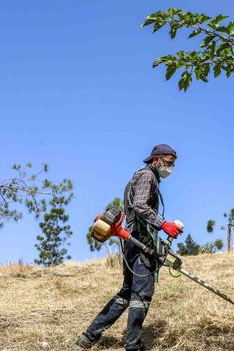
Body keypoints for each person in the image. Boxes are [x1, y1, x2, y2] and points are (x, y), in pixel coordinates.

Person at [76, 144, 184, 351]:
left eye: (172, 164)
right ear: (156, 160)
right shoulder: (147, 176)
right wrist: (164, 224)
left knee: (126, 293)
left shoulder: (142, 176)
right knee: (140, 296)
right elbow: (140, 206)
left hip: (133, 242)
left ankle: (88, 337)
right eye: (168, 163)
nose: (170, 168)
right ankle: (133, 346)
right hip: (140, 244)